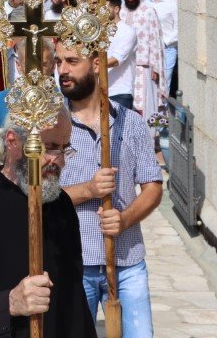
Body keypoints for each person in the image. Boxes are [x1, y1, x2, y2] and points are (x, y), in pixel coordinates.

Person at [0, 112, 97, 338]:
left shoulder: (61, 204)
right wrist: (10, 302)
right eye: (50, 148)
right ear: (13, 142)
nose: (60, 161)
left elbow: (74, 299)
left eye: (64, 149)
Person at [57, 44, 163, 338]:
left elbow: (153, 187)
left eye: (72, 61)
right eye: (59, 61)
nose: (63, 70)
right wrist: (88, 189)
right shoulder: (52, 125)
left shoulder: (131, 122)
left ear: (95, 64)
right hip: (75, 262)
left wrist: (125, 219)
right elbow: (37, 196)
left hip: (127, 262)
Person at [120, 0, 165, 122]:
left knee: (145, 105)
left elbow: (155, 39)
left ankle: (148, 134)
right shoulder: (119, 11)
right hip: (123, 66)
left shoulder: (148, 11)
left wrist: (155, 66)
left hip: (143, 65)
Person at [103, 0, 138, 111]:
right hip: (99, 90)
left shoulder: (127, 31)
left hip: (120, 92)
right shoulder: (99, 31)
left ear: (116, 9)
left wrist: (91, 65)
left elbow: (115, 60)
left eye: (105, 8)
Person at [146, 0, 178, 96]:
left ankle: (163, 107)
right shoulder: (146, 4)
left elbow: (178, 27)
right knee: (150, 82)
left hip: (167, 49)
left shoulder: (172, 4)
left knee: (164, 83)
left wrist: (165, 42)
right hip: (149, 50)